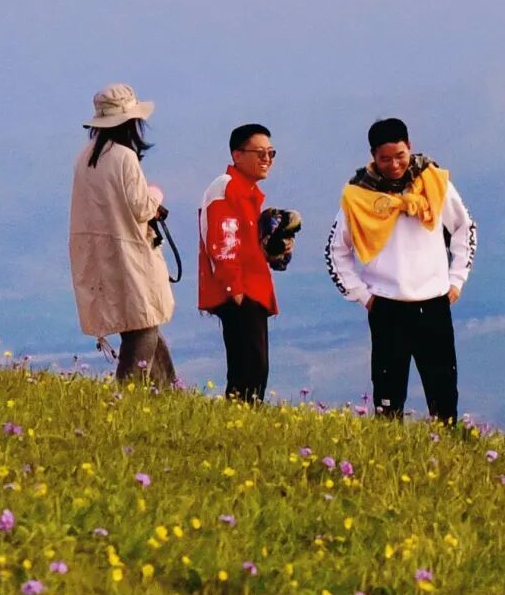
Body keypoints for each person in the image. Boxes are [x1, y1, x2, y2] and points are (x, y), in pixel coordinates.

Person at [325, 116, 477, 423]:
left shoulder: (434, 183)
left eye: (400, 156)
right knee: (387, 393)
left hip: (434, 301)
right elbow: (336, 250)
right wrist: (362, 295)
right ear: (373, 156)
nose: (394, 165)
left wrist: (457, 279)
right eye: (385, 159)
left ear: (410, 147)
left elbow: (464, 228)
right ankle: (388, 452)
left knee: (444, 391)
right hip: (386, 305)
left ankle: (447, 448)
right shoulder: (358, 196)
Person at [69, 83, 177, 387]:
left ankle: (168, 390)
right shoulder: (125, 157)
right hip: (130, 255)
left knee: (142, 323)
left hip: (100, 256)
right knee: (143, 327)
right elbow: (142, 207)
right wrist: (156, 193)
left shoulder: (85, 157)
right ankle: (126, 391)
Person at [198, 123, 290, 402]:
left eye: (271, 153)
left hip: (253, 289)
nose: (266, 159)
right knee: (248, 366)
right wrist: (234, 290)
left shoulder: (247, 191)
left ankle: (246, 418)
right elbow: (222, 241)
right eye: (259, 152)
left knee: (255, 366)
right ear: (237, 155)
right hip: (240, 290)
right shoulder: (226, 188)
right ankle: (241, 417)